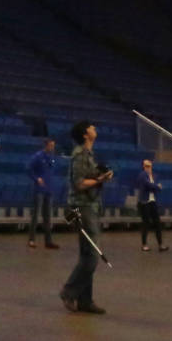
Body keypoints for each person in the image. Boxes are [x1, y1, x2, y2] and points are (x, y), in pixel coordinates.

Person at [59, 121, 110, 314]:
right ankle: (69, 291)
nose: (95, 128)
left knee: (87, 254)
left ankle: (85, 300)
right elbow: (79, 184)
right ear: (85, 134)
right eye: (91, 127)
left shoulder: (88, 154)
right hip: (83, 206)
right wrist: (99, 180)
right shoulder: (80, 154)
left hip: (90, 205)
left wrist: (100, 177)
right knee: (92, 256)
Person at [28, 138, 60, 249]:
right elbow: (29, 169)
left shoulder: (52, 157)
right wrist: (37, 179)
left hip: (49, 190)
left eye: (53, 145)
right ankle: (31, 239)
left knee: (48, 217)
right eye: (51, 145)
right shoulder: (37, 156)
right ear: (46, 145)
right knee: (36, 216)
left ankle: (48, 241)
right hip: (39, 190)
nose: (52, 147)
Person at [133, 157, 167, 250]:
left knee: (157, 223)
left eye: (149, 166)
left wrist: (156, 187)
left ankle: (161, 244)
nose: (148, 168)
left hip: (153, 201)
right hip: (145, 202)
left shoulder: (155, 176)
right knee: (145, 223)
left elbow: (155, 186)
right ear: (143, 167)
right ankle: (144, 244)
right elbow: (149, 185)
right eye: (146, 166)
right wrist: (157, 186)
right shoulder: (142, 175)